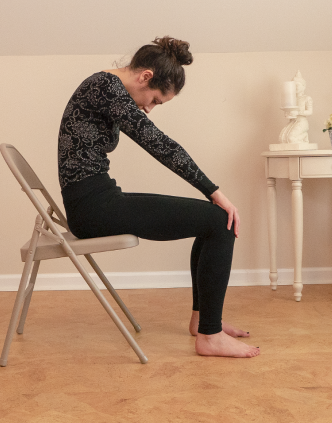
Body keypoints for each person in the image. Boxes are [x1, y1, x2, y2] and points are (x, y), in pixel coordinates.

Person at [58, 36, 259, 358]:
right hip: (93, 209)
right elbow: (160, 144)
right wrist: (216, 192)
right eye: (155, 100)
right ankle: (210, 335)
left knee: (211, 221)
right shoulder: (105, 87)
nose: (149, 109)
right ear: (145, 77)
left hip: (97, 200)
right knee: (220, 220)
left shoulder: (104, 87)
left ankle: (205, 322)